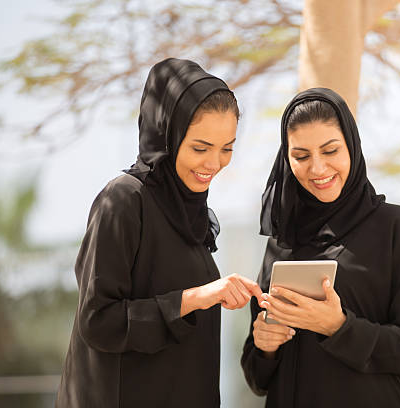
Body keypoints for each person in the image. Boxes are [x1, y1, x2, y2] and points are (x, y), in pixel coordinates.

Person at [56, 58, 262, 407]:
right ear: (167, 133)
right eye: (200, 147)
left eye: (227, 149)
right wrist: (196, 298)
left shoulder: (190, 218)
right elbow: (98, 319)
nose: (214, 163)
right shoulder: (123, 200)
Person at [241, 88, 400, 407]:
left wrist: (338, 327)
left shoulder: (395, 228)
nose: (317, 169)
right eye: (301, 156)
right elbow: (257, 378)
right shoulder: (282, 241)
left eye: (330, 150)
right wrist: (264, 346)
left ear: (352, 147)